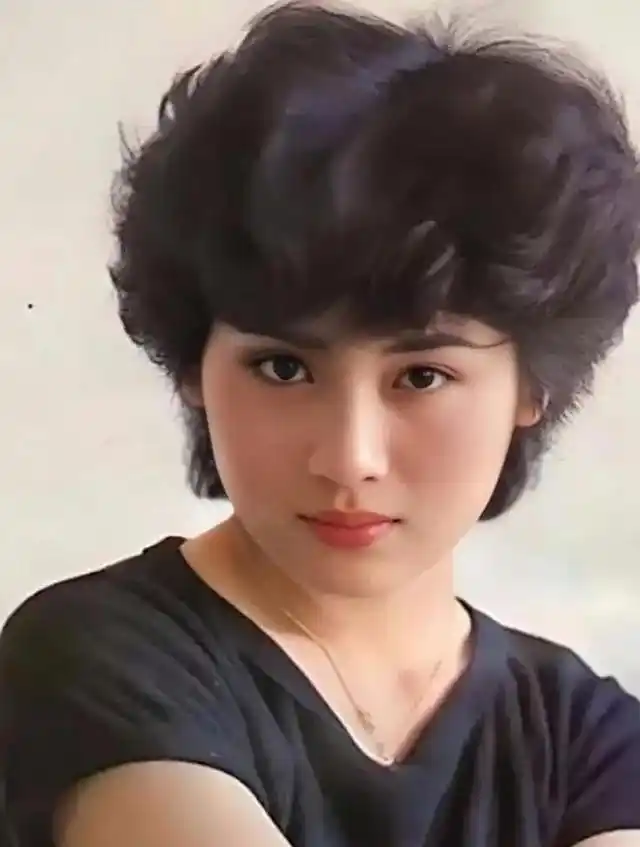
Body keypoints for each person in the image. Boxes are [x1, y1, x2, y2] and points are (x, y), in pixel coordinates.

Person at [1, 1, 640, 845]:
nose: (349, 458)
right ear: (194, 367)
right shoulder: (96, 657)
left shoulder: (590, 739)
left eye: (422, 375)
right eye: (283, 368)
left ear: (534, 387)